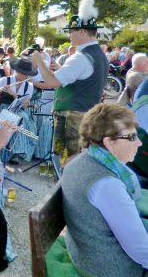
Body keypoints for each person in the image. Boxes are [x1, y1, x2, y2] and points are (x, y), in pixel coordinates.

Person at [59, 103, 148, 276]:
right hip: (110, 269)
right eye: (131, 137)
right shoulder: (107, 184)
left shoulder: (85, 159)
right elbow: (141, 251)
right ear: (109, 142)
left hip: (86, 254)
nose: (139, 143)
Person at [32, 0, 108, 160]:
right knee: (73, 156)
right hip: (86, 113)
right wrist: (60, 70)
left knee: (67, 157)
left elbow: (51, 82)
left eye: (71, 31)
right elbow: (84, 81)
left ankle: (63, 177)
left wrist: (39, 61)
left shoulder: (80, 57)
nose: (69, 36)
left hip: (72, 116)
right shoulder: (99, 55)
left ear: (82, 31)